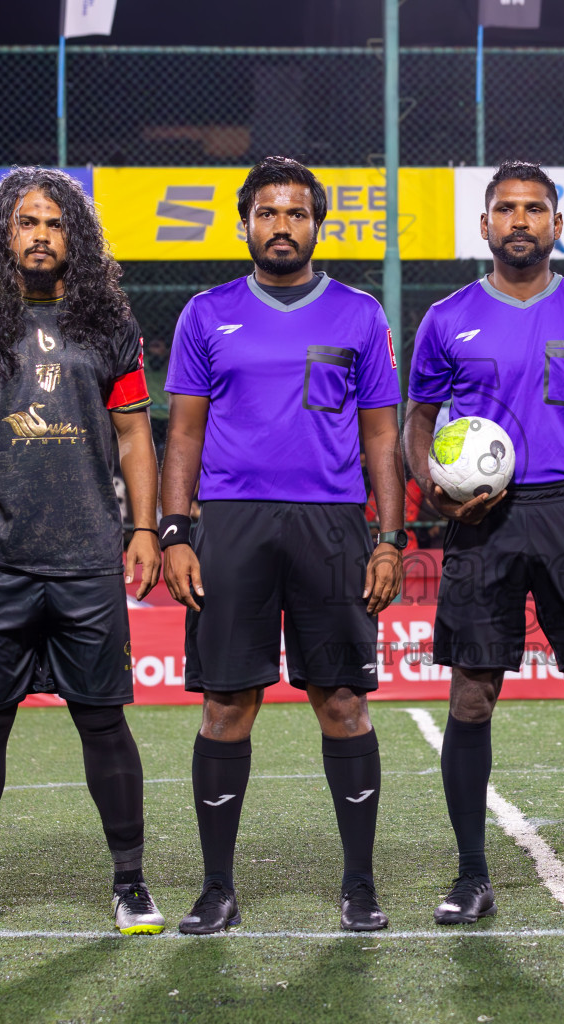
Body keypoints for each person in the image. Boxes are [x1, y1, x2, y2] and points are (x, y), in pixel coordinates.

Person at [158, 157, 405, 935]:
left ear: (316, 225)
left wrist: (390, 540)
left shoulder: (360, 314)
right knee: (227, 704)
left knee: (343, 702)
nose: (282, 226)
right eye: (268, 213)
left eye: (297, 213)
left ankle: (359, 885)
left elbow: (381, 437)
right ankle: (217, 888)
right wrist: (173, 531)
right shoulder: (206, 313)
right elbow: (183, 434)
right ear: (245, 226)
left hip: (331, 524)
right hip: (230, 525)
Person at [0, 166, 165, 941]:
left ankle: (129, 883)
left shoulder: (109, 324)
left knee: (104, 722)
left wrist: (144, 528)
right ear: (4, 234)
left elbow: (135, 436)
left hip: (88, 557)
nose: (41, 236)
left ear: (76, 238)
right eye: (26, 223)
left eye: (56, 224)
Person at [403, 162, 564, 926]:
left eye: (534, 210)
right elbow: (417, 425)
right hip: (480, 522)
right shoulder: (447, 318)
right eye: (506, 209)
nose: (520, 221)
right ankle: (471, 875)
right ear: (484, 226)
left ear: (556, 225)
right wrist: (433, 491)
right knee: (471, 697)